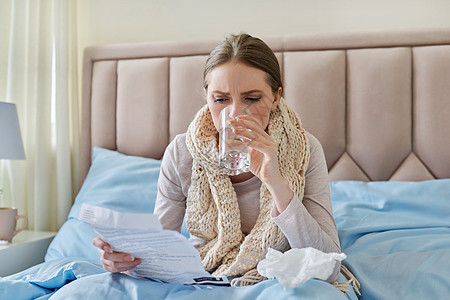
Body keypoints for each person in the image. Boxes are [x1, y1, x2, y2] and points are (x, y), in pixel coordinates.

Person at [93, 33, 342, 287]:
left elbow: (329, 267)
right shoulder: (182, 153)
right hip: (202, 278)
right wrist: (124, 259)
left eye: (253, 99)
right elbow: (159, 250)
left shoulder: (305, 150)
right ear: (206, 96)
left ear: (276, 97)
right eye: (221, 99)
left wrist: (276, 182)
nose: (234, 115)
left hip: (277, 280)